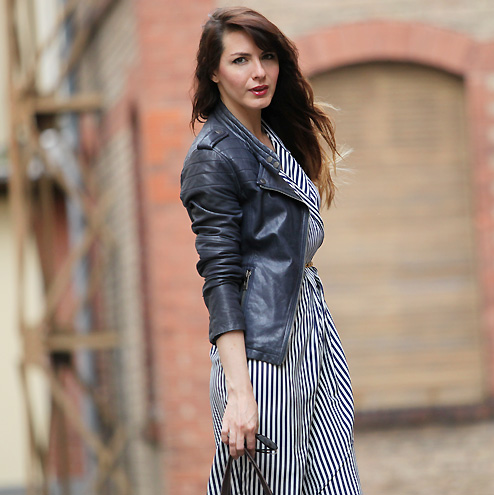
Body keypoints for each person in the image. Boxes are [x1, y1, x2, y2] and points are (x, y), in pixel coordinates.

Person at [180, 7, 362, 494]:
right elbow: (220, 279)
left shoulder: (272, 137)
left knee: (336, 481)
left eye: (267, 57)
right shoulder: (212, 158)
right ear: (213, 72)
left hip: (311, 335)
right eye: (240, 60)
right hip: (261, 358)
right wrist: (240, 392)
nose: (259, 72)